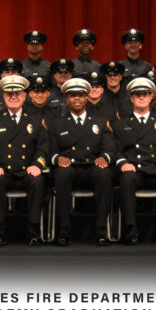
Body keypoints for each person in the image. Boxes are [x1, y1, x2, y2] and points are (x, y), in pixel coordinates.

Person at [0, 75, 49, 246]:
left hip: (26, 170)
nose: (13, 97)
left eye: (17, 93)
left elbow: (43, 148)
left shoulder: (35, 118)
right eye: (9, 94)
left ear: (24, 96)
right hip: (3, 171)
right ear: (3, 96)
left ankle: (33, 229)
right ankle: (0, 229)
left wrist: (37, 164)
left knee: (38, 181)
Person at [111, 77, 156, 246]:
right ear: (132, 98)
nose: (141, 97)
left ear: (151, 98)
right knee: (125, 178)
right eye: (137, 94)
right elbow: (116, 151)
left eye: (145, 94)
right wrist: (123, 163)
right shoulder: (121, 124)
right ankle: (130, 229)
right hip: (134, 170)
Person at [48, 78, 115, 246]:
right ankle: (64, 230)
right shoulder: (57, 123)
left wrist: (104, 157)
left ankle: (100, 230)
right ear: (67, 99)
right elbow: (50, 151)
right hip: (70, 167)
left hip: (92, 166)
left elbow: (110, 148)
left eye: (80, 95)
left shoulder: (100, 122)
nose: (77, 99)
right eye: (72, 95)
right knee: (61, 173)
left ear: (86, 98)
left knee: (104, 172)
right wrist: (58, 158)